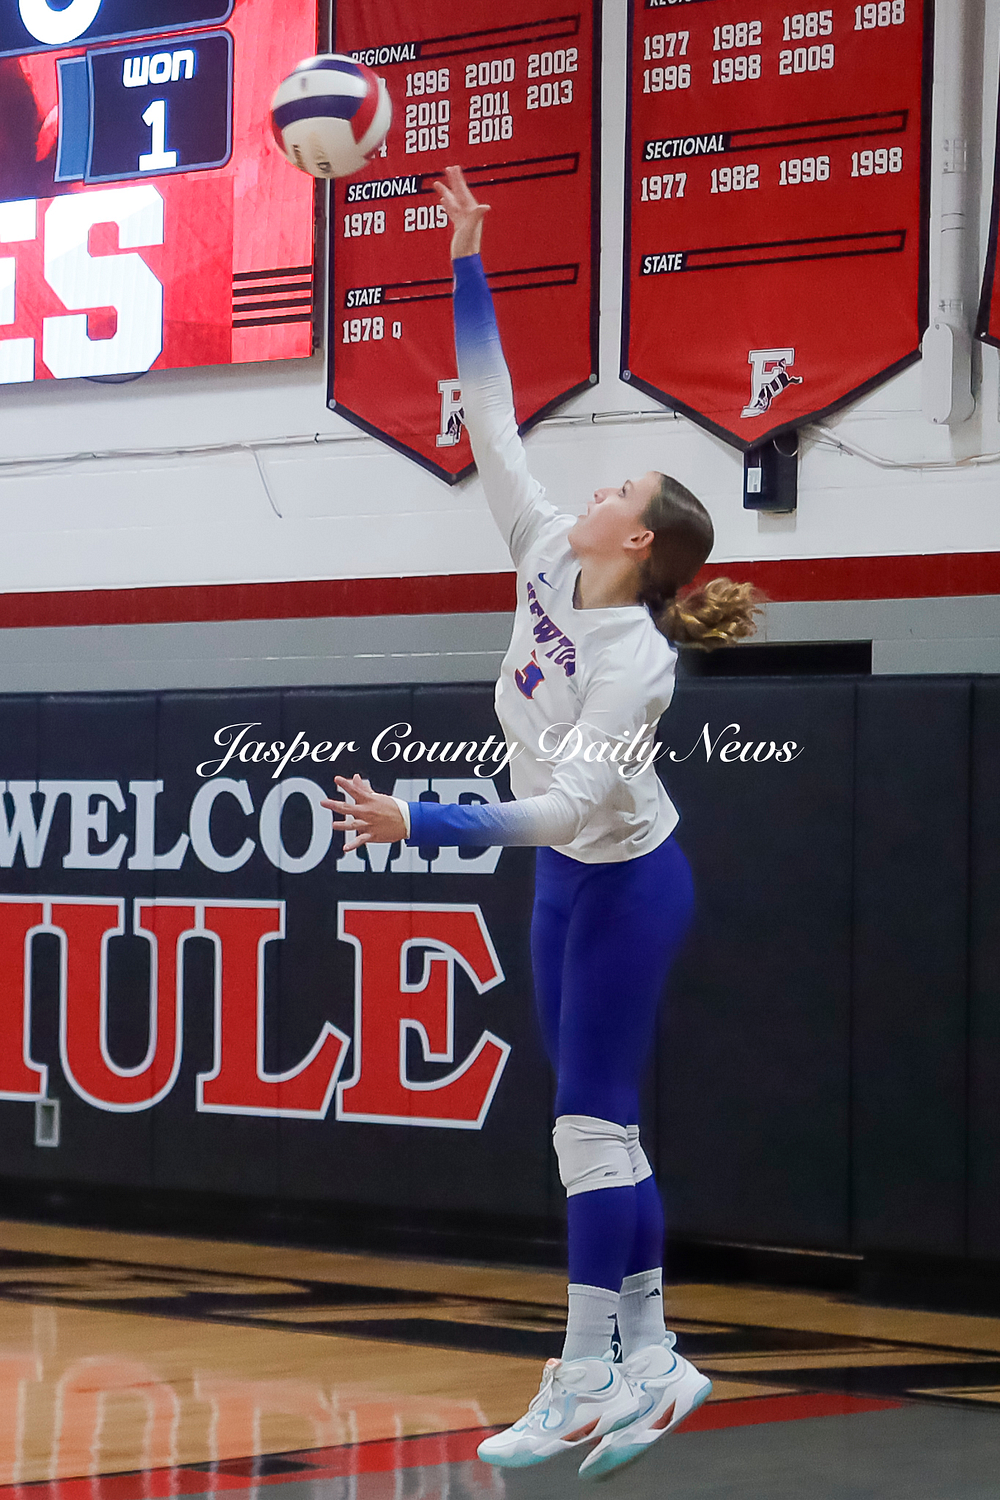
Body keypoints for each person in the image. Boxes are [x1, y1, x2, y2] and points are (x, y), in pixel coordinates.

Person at [322, 165, 762, 1480]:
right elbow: (494, 412)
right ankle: (654, 1357)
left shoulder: (640, 662)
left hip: (627, 881)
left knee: (587, 1128)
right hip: (569, 881)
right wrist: (466, 259)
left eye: (621, 488)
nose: (597, 490)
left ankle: (581, 1377)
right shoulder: (544, 551)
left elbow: (571, 803)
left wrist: (422, 820)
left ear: (640, 543)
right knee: (599, 1129)